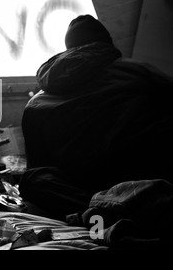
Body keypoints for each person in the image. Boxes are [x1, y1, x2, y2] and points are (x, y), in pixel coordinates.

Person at [19, 14, 173, 220]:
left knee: (32, 180)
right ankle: (121, 205)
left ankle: (97, 209)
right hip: (140, 178)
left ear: (69, 49)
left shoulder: (36, 104)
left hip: (82, 187)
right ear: (106, 44)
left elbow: (38, 166)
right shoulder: (141, 72)